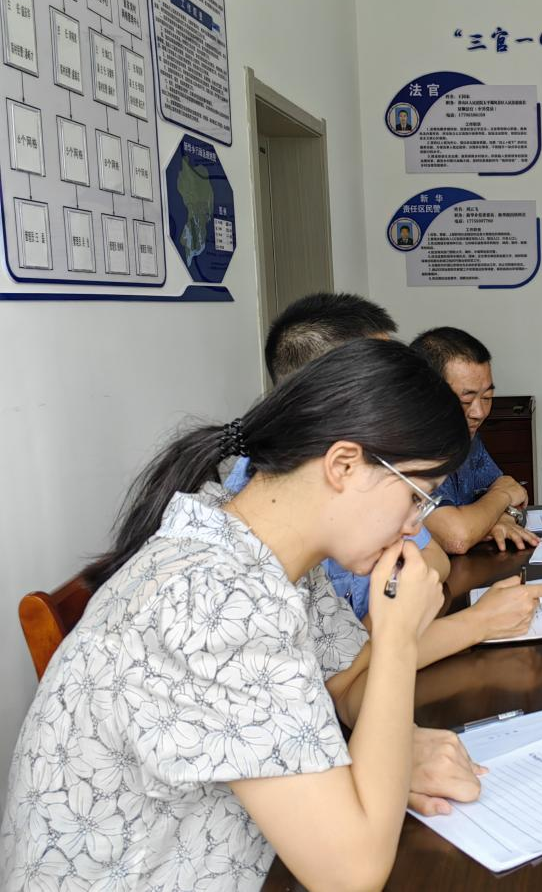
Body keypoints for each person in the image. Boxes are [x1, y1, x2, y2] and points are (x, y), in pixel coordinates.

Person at [0, 340, 481, 890]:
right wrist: (397, 638)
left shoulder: (263, 547)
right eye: (419, 495)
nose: (415, 526)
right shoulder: (216, 597)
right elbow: (352, 874)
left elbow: (348, 683)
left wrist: (393, 753)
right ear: (344, 464)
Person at [246, 292, 542, 648]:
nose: (414, 527)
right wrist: (397, 628)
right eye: (414, 496)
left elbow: (347, 668)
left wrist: (401, 626)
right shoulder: (238, 590)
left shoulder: (342, 497)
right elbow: (350, 674)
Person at [412, 327, 541, 553]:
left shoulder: (466, 438)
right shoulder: (406, 449)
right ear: (426, 394)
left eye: (487, 397)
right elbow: (457, 537)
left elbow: (511, 492)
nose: (479, 413)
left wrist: (500, 519)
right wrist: (499, 499)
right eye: (466, 401)